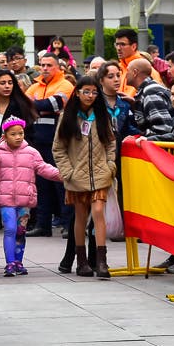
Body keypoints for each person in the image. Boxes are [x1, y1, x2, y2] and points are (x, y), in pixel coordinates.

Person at [52, 76, 117, 278]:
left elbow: (111, 144)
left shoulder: (102, 115)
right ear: (78, 92)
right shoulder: (67, 116)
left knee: (98, 211)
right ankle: (81, 262)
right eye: (86, 91)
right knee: (80, 216)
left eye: (94, 92)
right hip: (76, 177)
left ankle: (102, 261)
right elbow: (58, 148)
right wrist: (68, 172)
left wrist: (110, 166)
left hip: (100, 174)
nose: (90, 96)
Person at [0, 118, 62, 276]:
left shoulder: (32, 153)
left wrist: (62, 175)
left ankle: (18, 262)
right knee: (10, 229)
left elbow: (43, 168)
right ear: (5, 135)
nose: (18, 137)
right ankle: (9, 263)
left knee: (20, 231)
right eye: (13, 134)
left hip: (25, 200)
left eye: (21, 133)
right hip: (5, 199)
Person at [23, 53, 74, 237]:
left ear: (58, 67)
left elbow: (55, 103)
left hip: (59, 142)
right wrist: (40, 106)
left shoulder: (65, 85)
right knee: (41, 184)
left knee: (61, 184)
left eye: (49, 65)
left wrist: (38, 106)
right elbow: (25, 106)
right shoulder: (35, 86)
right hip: (38, 141)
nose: (44, 68)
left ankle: (69, 224)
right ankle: (42, 225)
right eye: (42, 65)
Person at [124, 59, 174, 139]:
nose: (125, 74)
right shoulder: (147, 90)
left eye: (127, 71)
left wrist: (139, 137)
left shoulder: (150, 92)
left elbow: (162, 129)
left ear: (135, 72)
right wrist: (134, 105)